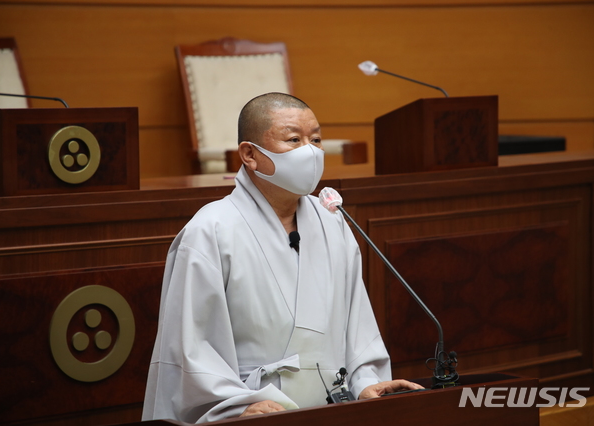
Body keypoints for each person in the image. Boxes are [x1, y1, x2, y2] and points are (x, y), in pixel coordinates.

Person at [142, 92, 422, 423]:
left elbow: (357, 325)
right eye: (294, 139)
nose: (311, 151)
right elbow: (190, 344)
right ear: (250, 154)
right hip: (253, 412)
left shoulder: (331, 221)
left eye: (316, 139)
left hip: (330, 409)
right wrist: (237, 404)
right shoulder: (211, 230)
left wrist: (365, 383)